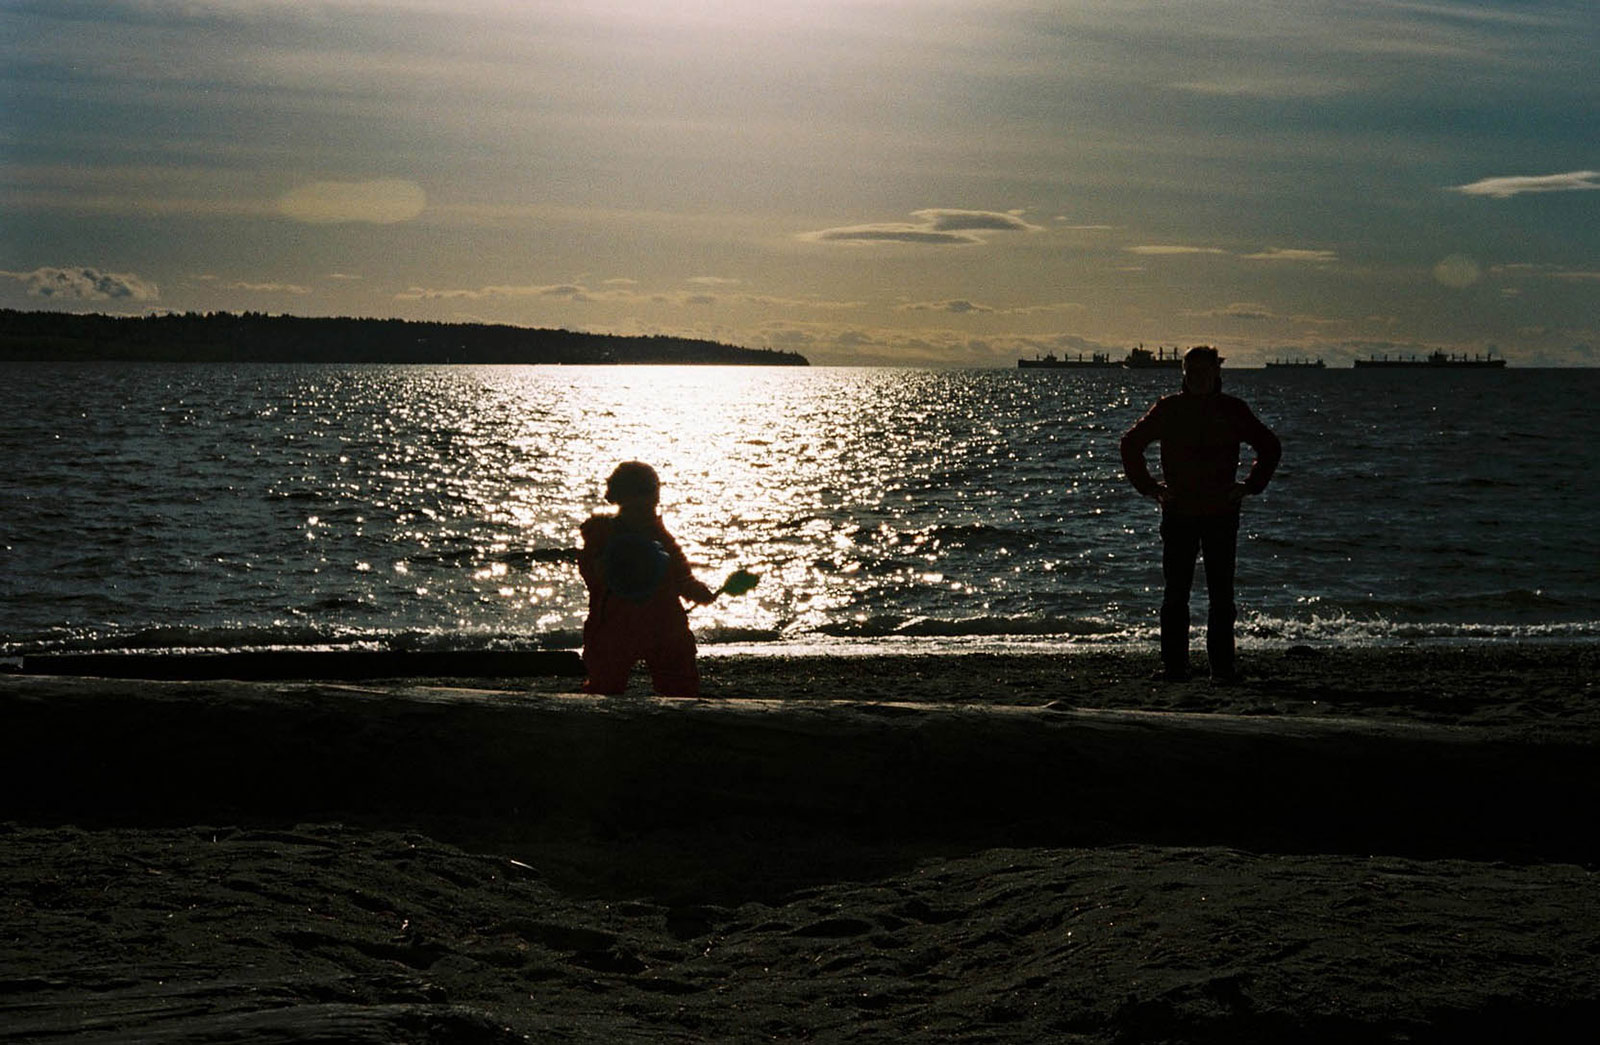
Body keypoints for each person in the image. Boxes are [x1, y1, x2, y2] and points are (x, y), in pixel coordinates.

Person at [1120, 346, 1281, 682]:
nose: (1198, 379)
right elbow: (1131, 444)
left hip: (1222, 513)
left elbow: (1269, 446)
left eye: (1204, 373)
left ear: (1216, 374)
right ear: (1183, 374)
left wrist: (1249, 486)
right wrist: (1152, 488)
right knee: (1176, 593)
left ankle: (1222, 669)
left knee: (1221, 595)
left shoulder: (1232, 410)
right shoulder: (1170, 409)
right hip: (1179, 512)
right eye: (1191, 373)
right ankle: (1175, 668)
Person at [578, 462, 716, 696]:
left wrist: (697, 591)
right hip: (641, 624)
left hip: (632, 624)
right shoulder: (611, 534)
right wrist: (695, 591)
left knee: (674, 683)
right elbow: (683, 579)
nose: (648, 505)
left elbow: (682, 578)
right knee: (610, 685)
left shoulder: (608, 534)